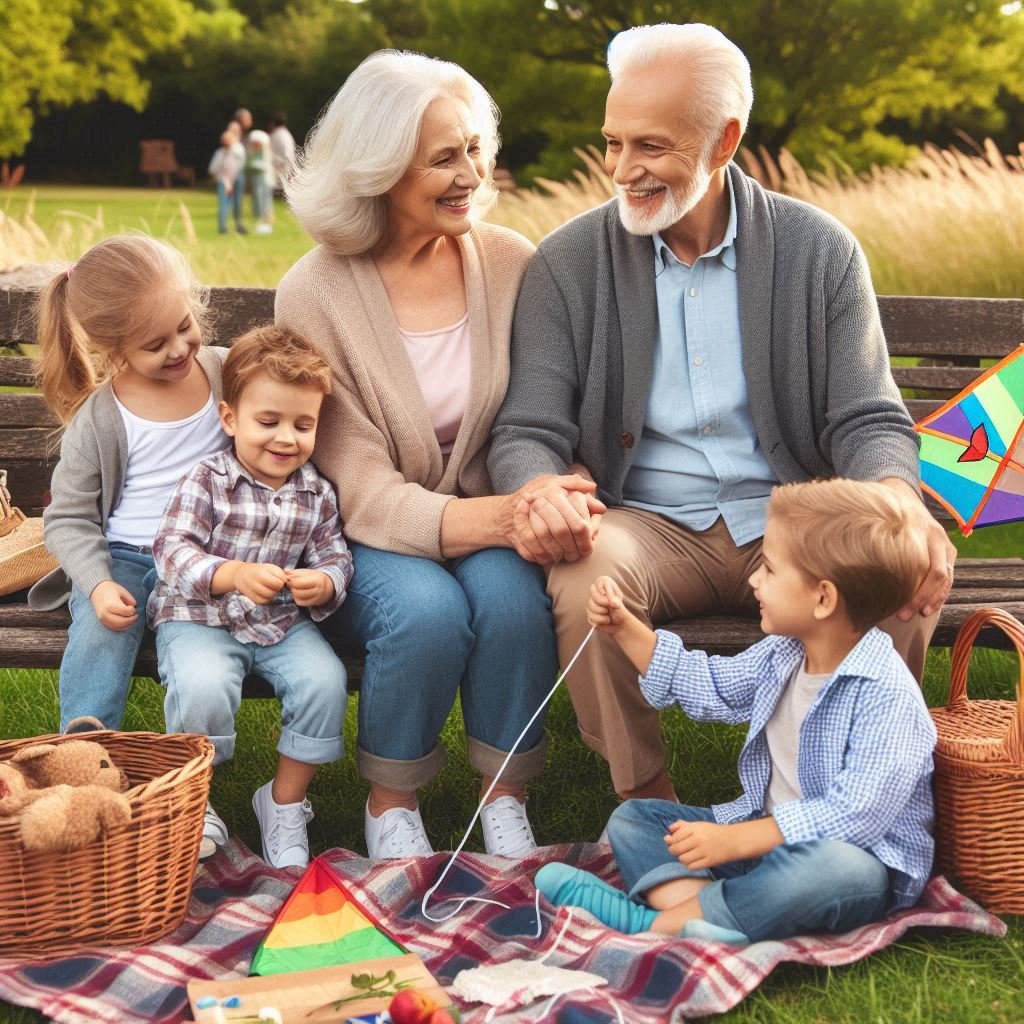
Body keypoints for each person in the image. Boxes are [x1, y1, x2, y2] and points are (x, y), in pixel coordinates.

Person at [487, 22, 957, 804]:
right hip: (646, 521)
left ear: (725, 139)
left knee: (894, 563)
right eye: (612, 142)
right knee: (582, 578)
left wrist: (897, 501)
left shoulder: (820, 251)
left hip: (789, 514)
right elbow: (528, 428)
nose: (621, 170)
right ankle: (647, 803)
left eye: (650, 147)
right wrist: (540, 488)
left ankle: (853, 792)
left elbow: (868, 417)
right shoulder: (568, 263)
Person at [276, 50, 580, 860]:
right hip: (363, 535)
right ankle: (391, 802)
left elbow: (543, 408)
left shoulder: (513, 262)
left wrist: (537, 497)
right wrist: (499, 517)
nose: (472, 174)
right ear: (379, 169)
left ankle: (505, 796)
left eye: (477, 148)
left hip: (489, 517)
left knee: (516, 606)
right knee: (425, 612)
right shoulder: (316, 290)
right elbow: (358, 482)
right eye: (445, 157)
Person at [536, 479, 937, 945]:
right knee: (636, 820)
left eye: (769, 569)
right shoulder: (786, 654)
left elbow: (856, 816)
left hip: (848, 865)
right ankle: (713, 917)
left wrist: (739, 842)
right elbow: (710, 686)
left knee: (838, 869)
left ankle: (650, 924)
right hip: (762, 844)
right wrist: (626, 629)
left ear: (823, 598)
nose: (754, 580)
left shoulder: (886, 695)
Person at [148, 326, 352, 868]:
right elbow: (170, 548)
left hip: (281, 622)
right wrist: (231, 573)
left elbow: (335, 554)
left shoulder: (316, 491)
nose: (287, 438)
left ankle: (284, 802)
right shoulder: (209, 479)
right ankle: (196, 801)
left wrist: (324, 582)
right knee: (202, 683)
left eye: (302, 425)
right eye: (269, 421)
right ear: (230, 418)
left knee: (325, 682)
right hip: (200, 617)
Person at [29, 236, 230, 733]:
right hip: (125, 558)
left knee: (199, 655)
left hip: (207, 560)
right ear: (112, 348)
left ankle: (187, 775)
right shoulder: (101, 417)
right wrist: (98, 585)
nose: (180, 347)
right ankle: (85, 751)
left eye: (184, 327)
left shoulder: (226, 373)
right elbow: (69, 517)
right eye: (156, 345)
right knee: (101, 632)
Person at [209, 130, 245, 234]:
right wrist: (225, 181)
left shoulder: (237, 152)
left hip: (235, 180)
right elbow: (213, 169)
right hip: (223, 181)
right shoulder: (220, 153)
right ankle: (222, 227)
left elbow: (240, 166)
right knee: (223, 204)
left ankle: (238, 224)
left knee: (237, 204)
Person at [246, 129, 276, 234]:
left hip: (264, 180)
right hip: (258, 180)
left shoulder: (264, 153)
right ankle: (261, 223)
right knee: (259, 202)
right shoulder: (254, 153)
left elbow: (262, 166)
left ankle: (266, 224)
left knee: (265, 202)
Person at [269, 113, 296, 195]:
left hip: (279, 169)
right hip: (287, 169)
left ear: (273, 123)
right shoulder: (287, 135)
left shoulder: (276, 135)